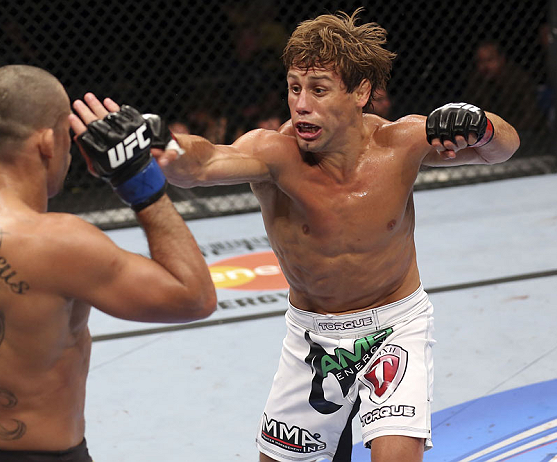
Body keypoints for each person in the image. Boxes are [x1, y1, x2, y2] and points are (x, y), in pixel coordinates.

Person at [150, 9, 520, 462]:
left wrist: (480, 123)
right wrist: (164, 146)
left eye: (319, 89)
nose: (301, 104)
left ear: (361, 92)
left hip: (395, 325)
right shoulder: (274, 153)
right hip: (313, 338)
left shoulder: (399, 144)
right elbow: (203, 164)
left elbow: (502, 148)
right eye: (294, 87)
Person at [0, 65, 216, 461]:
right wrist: (138, 179)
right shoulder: (56, 243)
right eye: (65, 135)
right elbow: (195, 297)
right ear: (47, 142)